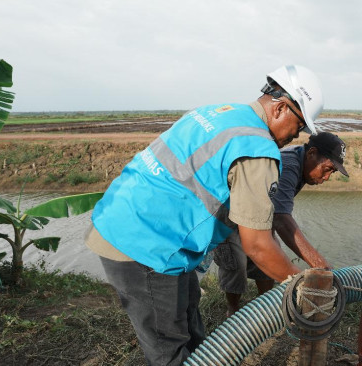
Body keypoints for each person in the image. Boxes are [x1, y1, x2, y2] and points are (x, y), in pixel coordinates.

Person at [85, 64, 325, 365]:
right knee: (168, 349)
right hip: (145, 245)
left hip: (127, 220)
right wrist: (306, 287)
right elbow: (258, 245)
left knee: (191, 325)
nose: (295, 137)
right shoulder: (257, 148)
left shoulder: (217, 112)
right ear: (280, 109)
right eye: (299, 126)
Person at [214, 132, 348, 316]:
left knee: (269, 259)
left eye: (331, 173)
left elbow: (274, 210)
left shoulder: (302, 165)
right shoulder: (289, 165)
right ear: (312, 154)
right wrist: (321, 267)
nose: (326, 178)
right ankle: (233, 312)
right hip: (229, 215)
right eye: (327, 169)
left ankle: (266, 309)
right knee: (235, 264)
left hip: (255, 214)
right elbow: (281, 219)